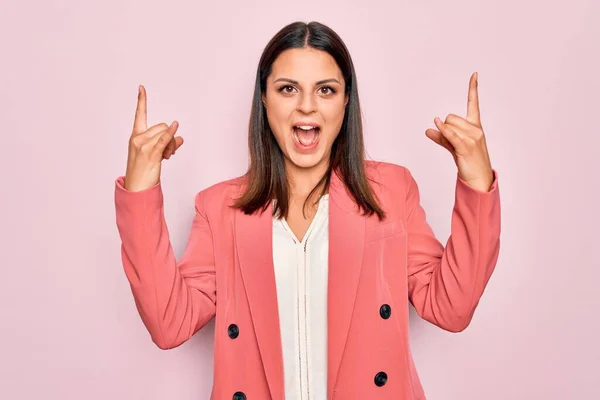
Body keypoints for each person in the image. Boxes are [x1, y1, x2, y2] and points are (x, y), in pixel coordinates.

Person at [114, 21, 500, 400]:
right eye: (287, 89)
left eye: (326, 90)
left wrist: (476, 181)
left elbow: (451, 308)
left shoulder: (392, 192)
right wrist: (142, 188)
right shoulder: (218, 208)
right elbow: (169, 324)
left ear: (346, 100)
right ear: (264, 99)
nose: (307, 107)